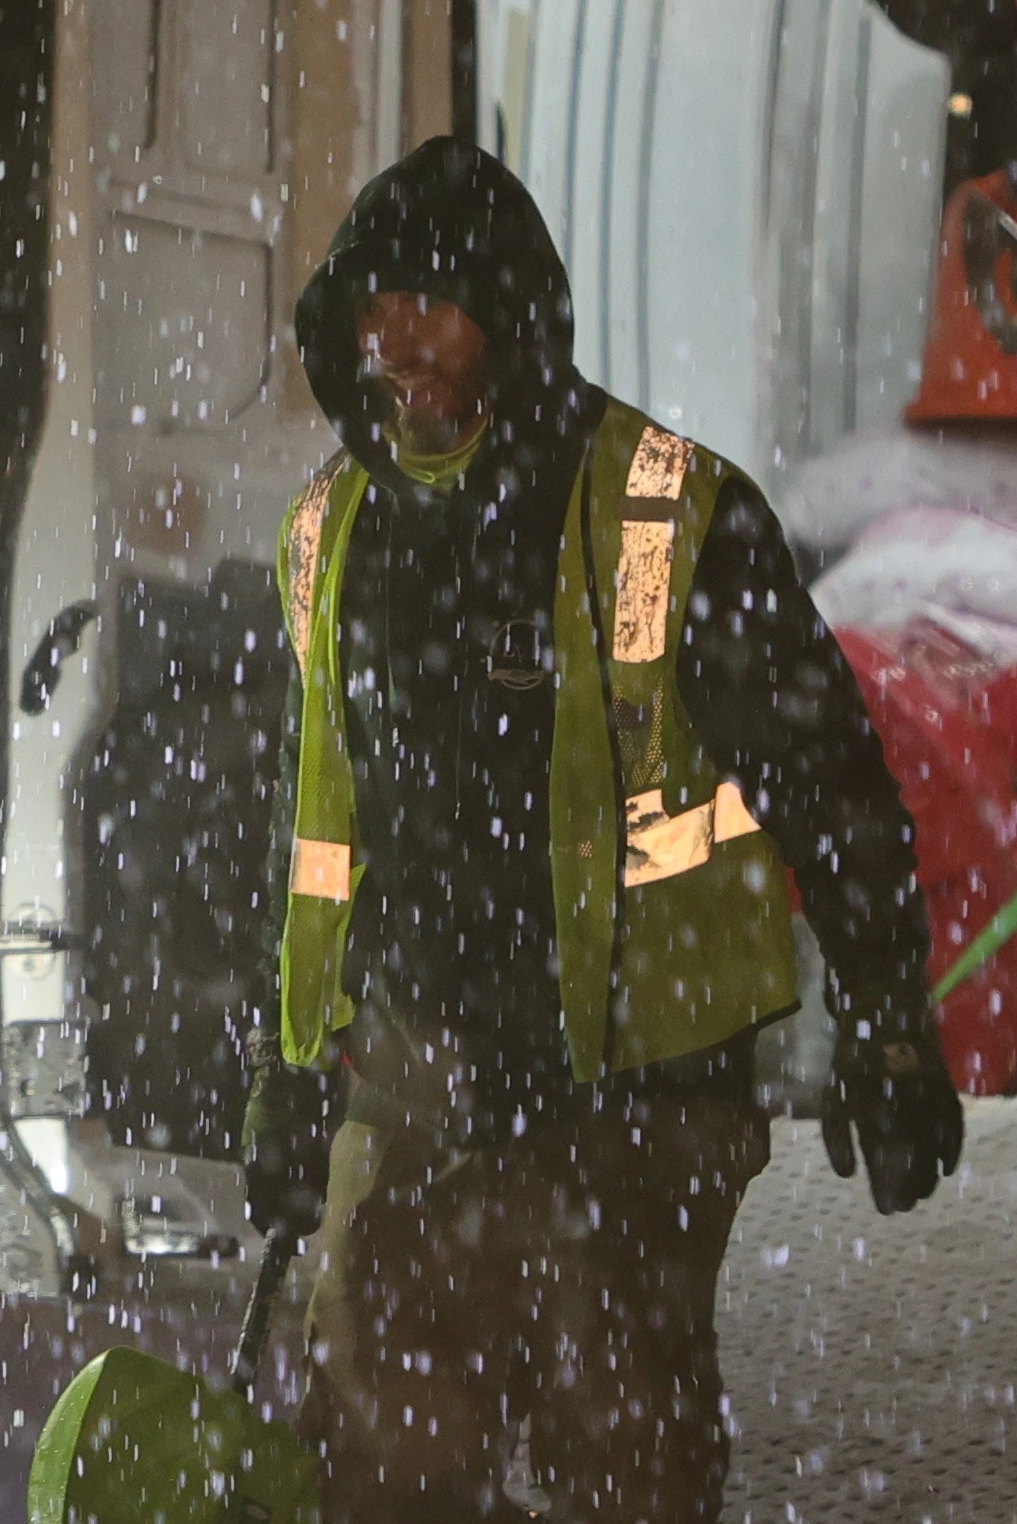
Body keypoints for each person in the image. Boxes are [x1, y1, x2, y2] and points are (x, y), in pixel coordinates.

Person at [241, 137, 963, 1523]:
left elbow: (830, 781)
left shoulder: (673, 511)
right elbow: (315, 830)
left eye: (436, 308)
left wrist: (886, 1018)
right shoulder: (328, 534)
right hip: (417, 1087)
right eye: (374, 310)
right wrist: (290, 1073)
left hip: (636, 1102)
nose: (400, 348)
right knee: (381, 1474)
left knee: (625, 1473)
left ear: (513, 321)